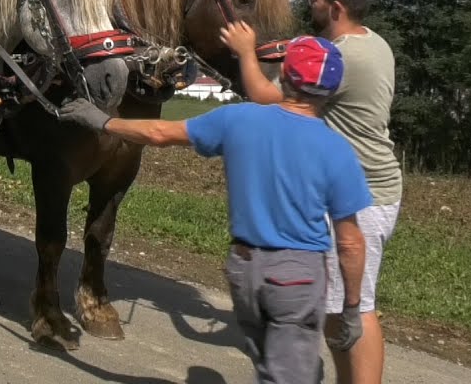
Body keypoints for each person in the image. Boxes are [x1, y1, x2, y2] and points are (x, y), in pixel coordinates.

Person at [58, 36, 370, 384]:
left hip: (245, 272)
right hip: (297, 277)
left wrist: (101, 120)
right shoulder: (337, 150)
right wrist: (353, 308)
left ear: (286, 74)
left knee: (272, 362)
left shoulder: (240, 119)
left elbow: (159, 132)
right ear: (331, 89)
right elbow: (352, 243)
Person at [221, 0, 400, 384]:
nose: (310, 3)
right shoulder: (373, 44)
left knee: (355, 308)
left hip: (362, 194)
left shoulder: (344, 57)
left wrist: (247, 52)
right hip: (373, 186)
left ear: (335, 7)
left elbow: (267, 97)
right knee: (342, 307)